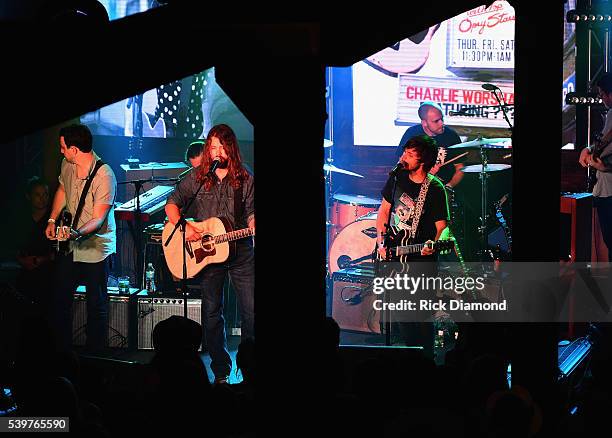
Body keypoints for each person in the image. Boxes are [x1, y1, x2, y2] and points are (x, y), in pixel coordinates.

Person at [165, 124, 254, 384]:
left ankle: (249, 368)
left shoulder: (245, 178)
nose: (216, 151)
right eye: (212, 147)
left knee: (251, 311)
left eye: (221, 146)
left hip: (240, 253)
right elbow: (173, 204)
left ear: (231, 148)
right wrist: (185, 228)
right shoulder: (197, 177)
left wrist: (252, 222)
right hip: (207, 254)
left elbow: (251, 211)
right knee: (212, 312)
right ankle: (221, 371)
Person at [45, 124, 117, 353]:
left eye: (63, 147)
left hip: (96, 248)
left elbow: (98, 219)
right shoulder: (67, 164)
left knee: (96, 304)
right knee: (60, 300)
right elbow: (63, 190)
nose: (61, 151)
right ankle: (62, 353)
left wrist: (77, 233)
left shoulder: (104, 174)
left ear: (74, 149)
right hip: (71, 246)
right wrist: (51, 220)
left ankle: (95, 356)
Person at [377, 135, 450, 358]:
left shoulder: (435, 188)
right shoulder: (397, 178)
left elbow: (444, 228)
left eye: (409, 155)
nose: (403, 158)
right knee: (401, 315)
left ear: (423, 159)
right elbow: (383, 212)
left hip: (421, 261)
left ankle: (425, 360)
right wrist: (381, 242)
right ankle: (411, 358)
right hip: (395, 257)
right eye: (404, 153)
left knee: (420, 317)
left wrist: (433, 244)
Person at [579, 72, 612, 261]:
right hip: (605, 188)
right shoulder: (610, 114)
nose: (600, 98)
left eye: (601, 94)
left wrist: (605, 168)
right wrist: (588, 149)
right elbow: (604, 142)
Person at [396, 101, 464, 189]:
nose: (442, 123)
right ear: (424, 123)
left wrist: (449, 187)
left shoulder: (451, 136)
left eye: (442, 119)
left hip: (441, 188)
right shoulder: (412, 133)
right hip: (415, 188)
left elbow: (460, 169)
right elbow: (402, 164)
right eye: (436, 121)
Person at [15, 176, 55, 313]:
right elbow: (14, 246)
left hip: (48, 275)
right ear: (28, 196)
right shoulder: (21, 218)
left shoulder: (54, 219)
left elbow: (60, 251)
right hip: (24, 273)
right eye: (37, 195)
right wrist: (21, 260)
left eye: (45, 195)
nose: (42, 199)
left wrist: (41, 260)